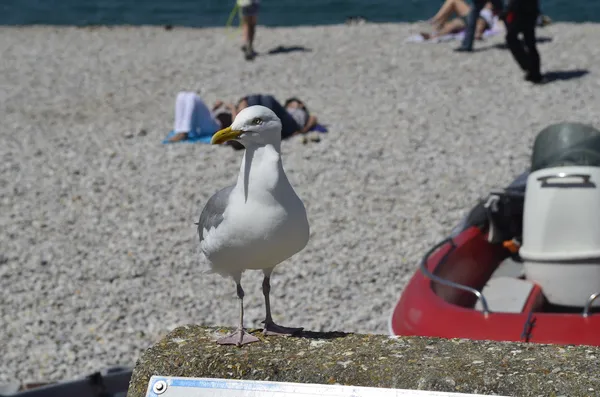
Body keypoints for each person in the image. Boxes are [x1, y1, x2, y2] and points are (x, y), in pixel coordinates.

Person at [169, 91, 233, 142]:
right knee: (181, 95)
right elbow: (206, 117)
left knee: (193, 97)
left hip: (216, 127)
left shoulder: (237, 115)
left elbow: (235, 126)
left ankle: (184, 132)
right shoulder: (229, 112)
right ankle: (179, 130)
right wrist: (215, 108)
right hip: (209, 123)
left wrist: (233, 108)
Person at [503, 0, 543, 83]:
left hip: (520, 10)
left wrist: (508, 10)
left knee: (511, 38)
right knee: (530, 41)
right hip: (531, 9)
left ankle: (527, 64)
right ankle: (534, 72)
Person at [424, 0, 498, 41]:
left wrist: (479, 31)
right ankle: (434, 34)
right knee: (454, 24)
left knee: (453, 1)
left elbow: (483, 22)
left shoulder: (490, 8)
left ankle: (434, 20)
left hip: (479, 18)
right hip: (474, 17)